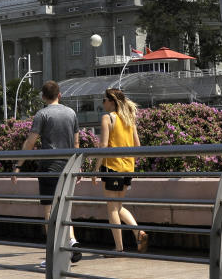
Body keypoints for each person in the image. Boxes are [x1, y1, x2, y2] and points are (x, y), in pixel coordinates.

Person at [13, 80, 81, 267]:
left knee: (49, 211)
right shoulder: (71, 113)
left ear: (43, 97)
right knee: (65, 207)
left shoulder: (42, 114)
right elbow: (76, 142)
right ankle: (71, 240)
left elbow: (31, 141)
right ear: (59, 95)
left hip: (49, 167)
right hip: (68, 166)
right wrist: (78, 166)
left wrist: (18, 165)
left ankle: (52, 255)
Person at [95, 87, 147, 253]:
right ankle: (139, 233)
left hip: (112, 167)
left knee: (111, 208)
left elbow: (103, 146)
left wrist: (95, 169)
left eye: (104, 100)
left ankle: (118, 248)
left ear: (111, 102)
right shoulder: (129, 119)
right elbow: (137, 146)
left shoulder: (107, 118)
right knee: (118, 206)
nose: (102, 103)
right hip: (127, 168)